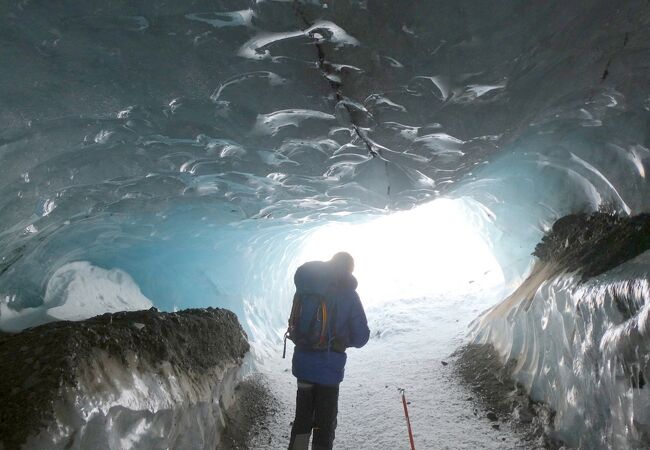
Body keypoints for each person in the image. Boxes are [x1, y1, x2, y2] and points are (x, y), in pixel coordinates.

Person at [287, 251, 370, 450]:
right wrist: (341, 341)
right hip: (329, 368)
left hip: (303, 363)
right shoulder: (348, 293)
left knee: (303, 418)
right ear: (349, 269)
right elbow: (361, 337)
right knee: (325, 423)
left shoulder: (306, 287)